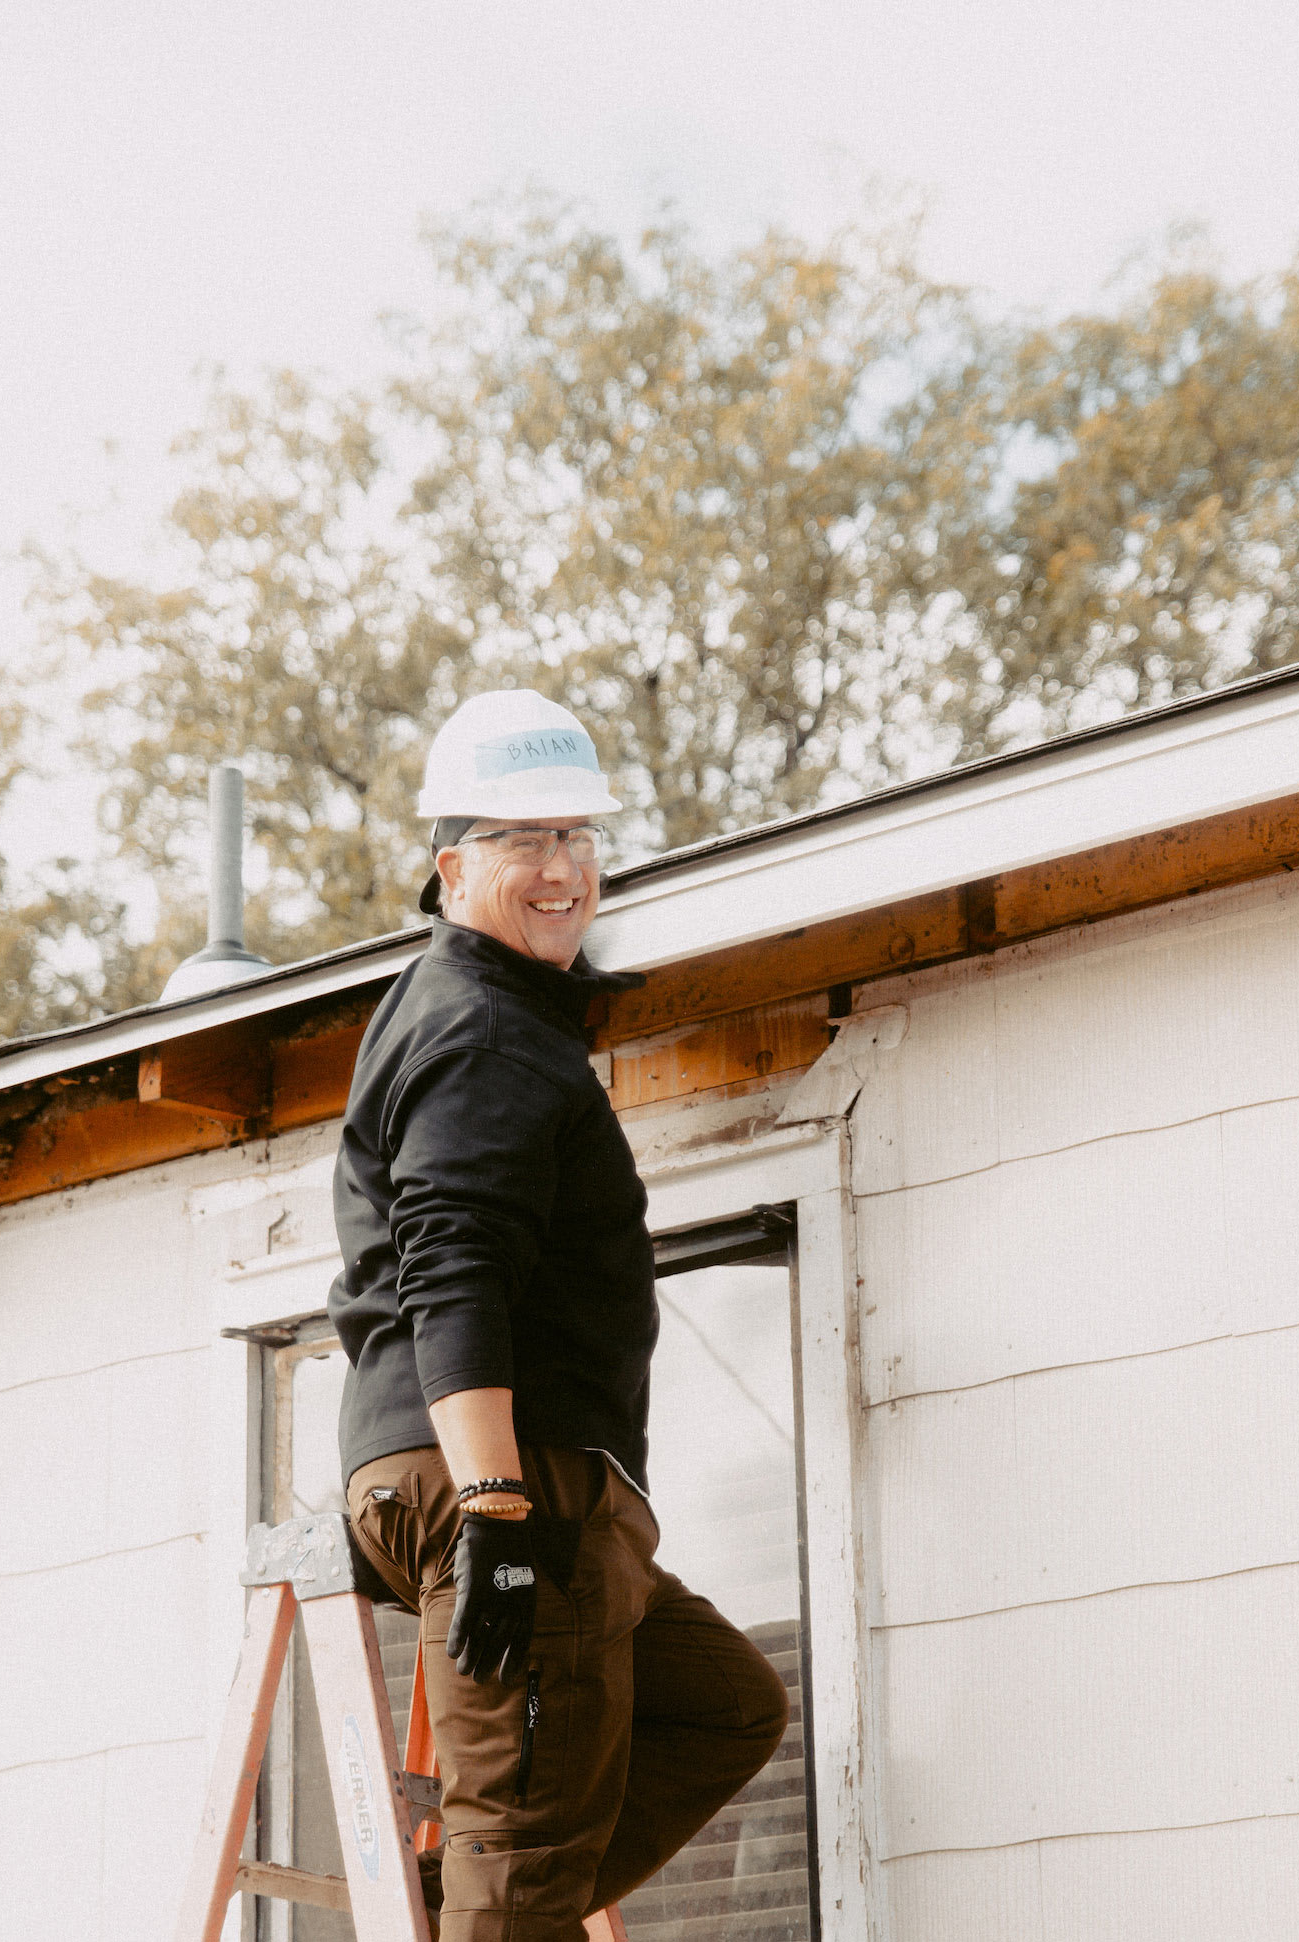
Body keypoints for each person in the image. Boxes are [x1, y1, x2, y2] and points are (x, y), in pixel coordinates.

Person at [329, 690, 789, 1941]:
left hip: (520, 1484)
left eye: (578, 837)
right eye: (524, 839)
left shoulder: (478, 1013)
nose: (562, 868)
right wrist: (495, 1508)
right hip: (505, 1479)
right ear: (452, 866)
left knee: (727, 1704)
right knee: (523, 1851)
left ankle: (465, 1917)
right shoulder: (483, 1032)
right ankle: (494, 1913)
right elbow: (454, 1265)